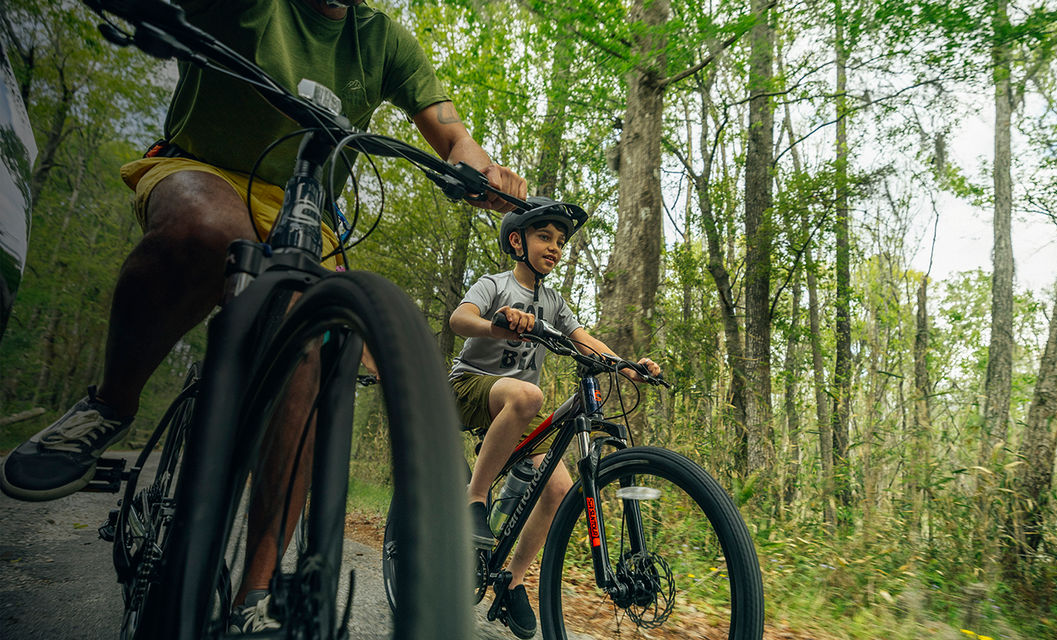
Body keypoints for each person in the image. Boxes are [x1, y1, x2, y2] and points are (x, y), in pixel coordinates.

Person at [0, 0, 525, 632]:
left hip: (306, 206)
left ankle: (259, 593)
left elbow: (451, 134)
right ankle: (110, 404)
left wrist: (481, 170)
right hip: (202, 166)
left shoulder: (381, 40)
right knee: (206, 231)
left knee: (310, 340)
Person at [449, 197, 661, 639]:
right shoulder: (496, 284)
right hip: (470, 388)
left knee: (561, 490)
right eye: (544, 236)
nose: (555, 247)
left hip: (515, 407)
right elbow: (459, 319)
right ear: (516, 240)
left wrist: (628, 367)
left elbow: (585, 341)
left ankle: (512, 582)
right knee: (530, 395)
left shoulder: (553, 302)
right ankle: (475, 499)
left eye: (560, 241)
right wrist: (496, 326)